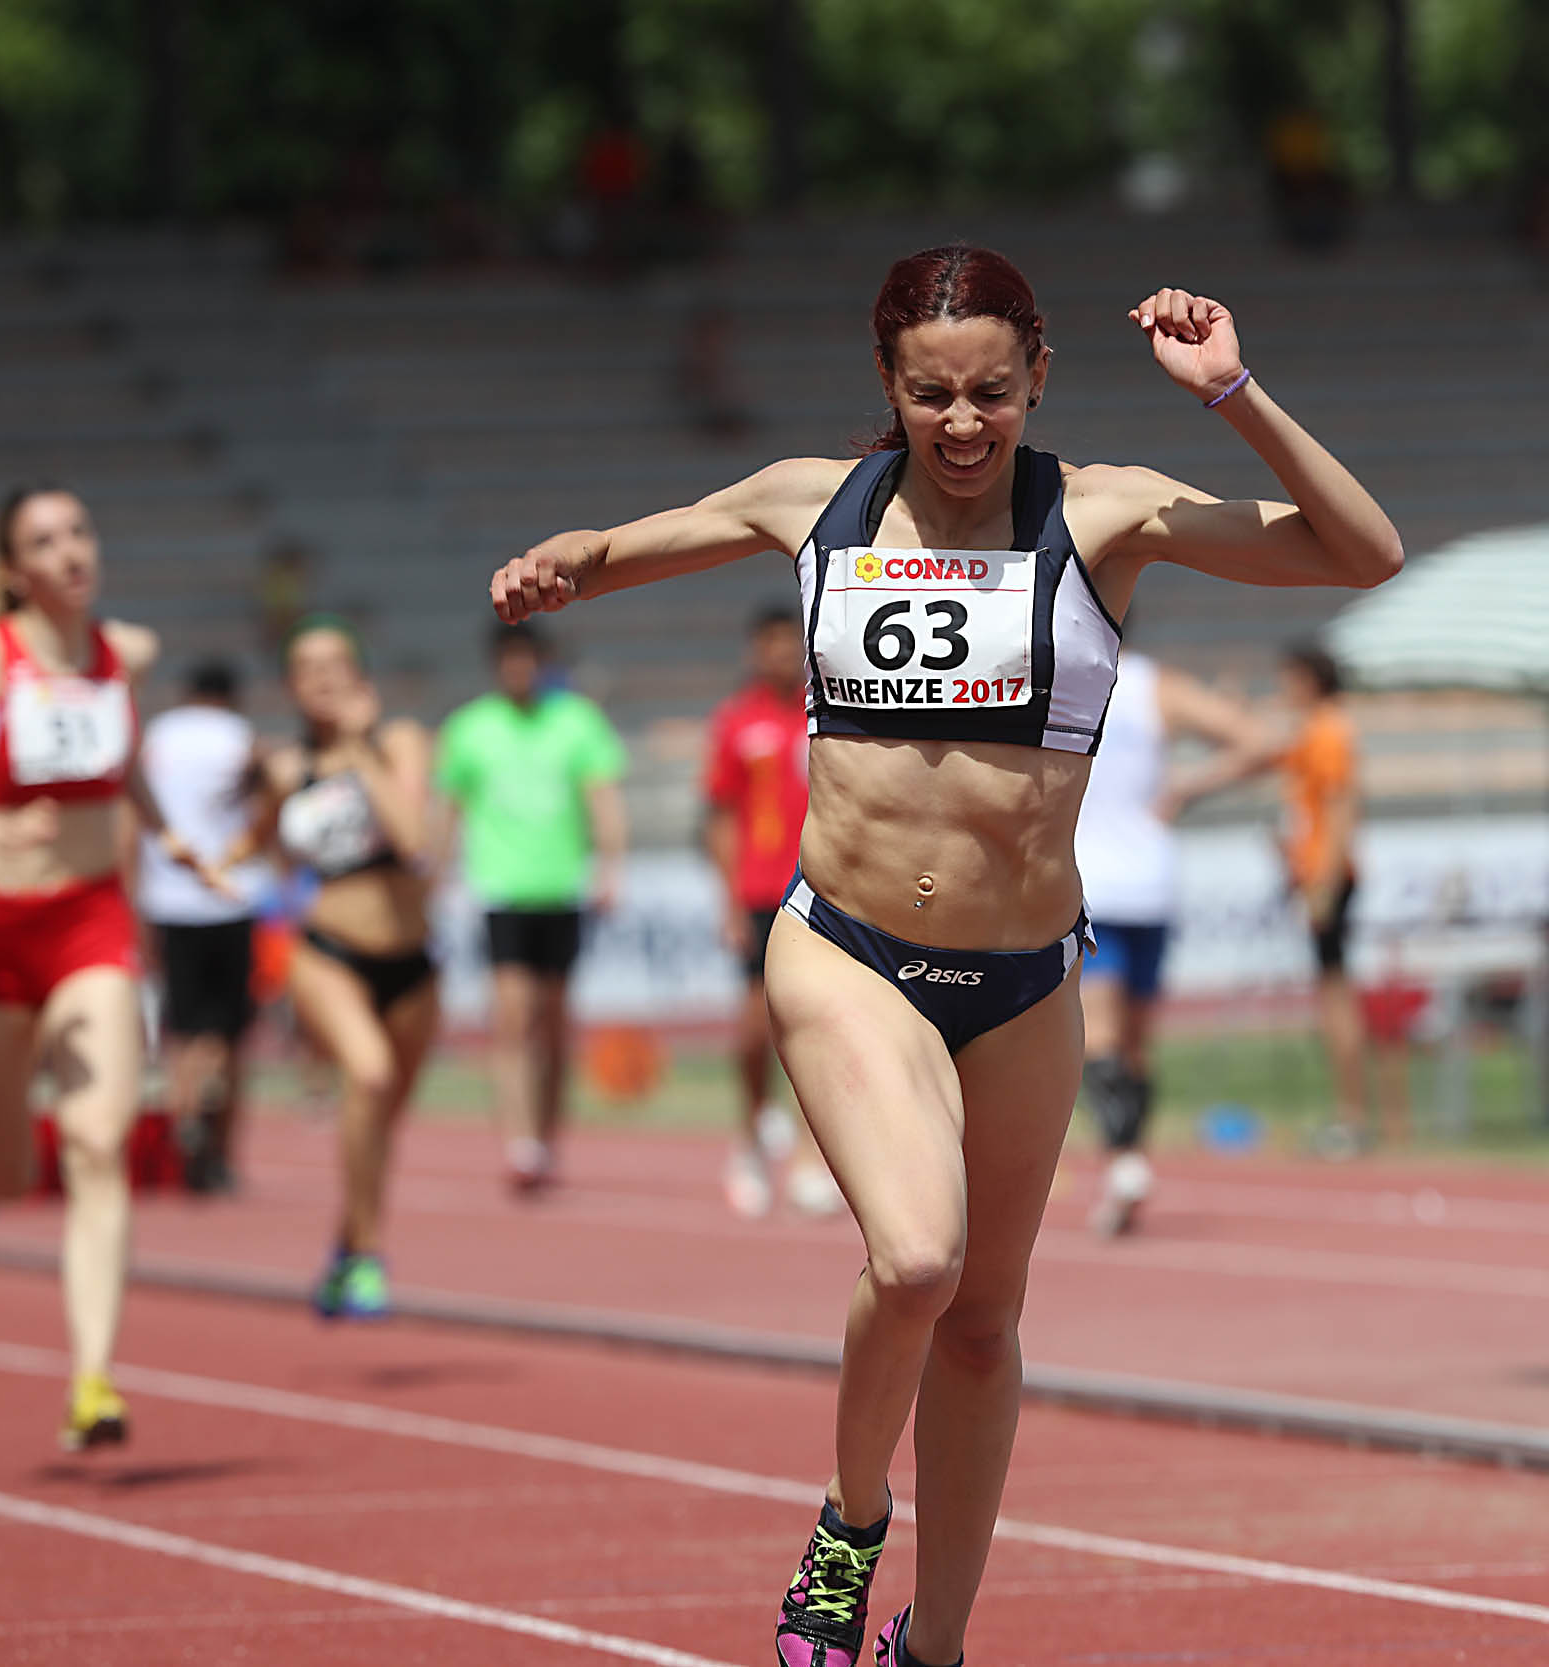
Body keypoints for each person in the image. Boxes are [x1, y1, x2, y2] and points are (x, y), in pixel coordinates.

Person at [489, 245, 1402, 1667]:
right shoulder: (814, 501)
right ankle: (851, 1520)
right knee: (916, 1258)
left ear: (1039, 376)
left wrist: (1233, 394)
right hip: (847, 949)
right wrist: (557, 564)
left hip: (1024, 977)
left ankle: (939, 1642)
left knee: (981, 1326)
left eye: (991, 392)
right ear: (886, 382)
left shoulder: (1102, 513)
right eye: (930, 395)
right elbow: (621, 545)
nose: (963, 424)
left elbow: (1361, 551)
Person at [0, 482, 232, 1450]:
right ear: (14, 571)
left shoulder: (127, 653)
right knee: (9, 1171)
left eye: (79, 530)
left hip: (89, 920)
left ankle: (94, 1381)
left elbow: (123, 764)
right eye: (45, 541)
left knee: (97, 1139)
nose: (73, 550)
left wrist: (171, 836)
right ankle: (8, 1158)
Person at [226, 617, 438, 1317]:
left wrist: (357, 750)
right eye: (307, 668)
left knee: (380, 1127)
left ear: (361, 675)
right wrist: (213, 867)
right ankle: (370, 1258)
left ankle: (345, 1248)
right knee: (368, 1074)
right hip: (328, 953)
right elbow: (252, 843)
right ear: (290, 686)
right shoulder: (287, 771)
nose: (322, 678)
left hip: (413, 962)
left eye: (335, 664)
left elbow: (414, 839)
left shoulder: (399, 741)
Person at [1072, 644, 1277, 1235]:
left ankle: (1123, 1161)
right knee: (1137, 1042)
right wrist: (1187, 786)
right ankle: (1130, 1164)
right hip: (1152, 878)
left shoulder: (1060, 671)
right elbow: (1261, 741)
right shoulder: (1157, 687)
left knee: (1100, 1037)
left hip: (1091, 881)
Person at [435, 621, 628, 1194]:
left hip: (562, 887)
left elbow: (603, 797)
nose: (518, 670)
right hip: (501, 889)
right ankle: (520, 1142)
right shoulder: (470, 728)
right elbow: (448, 807)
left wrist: (610, 866)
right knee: (512, 1018)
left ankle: (546, 1137)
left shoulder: (577, 722)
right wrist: (437, 876)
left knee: (555, 1022)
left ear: (542, 663)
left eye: (528, 660)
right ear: (496, 665)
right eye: (509, 660)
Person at [702, 602, 842, 1219]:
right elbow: (721, 815)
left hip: (825, 889)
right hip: (761, 893)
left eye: (792, 643)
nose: (783, 654)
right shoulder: (737, 722)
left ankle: (814, 1156)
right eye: (772, 644)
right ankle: (753, 1135)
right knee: (754, 1032)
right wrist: (729, 899)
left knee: (824, 1028)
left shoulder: (830, 712)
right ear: (755, 651)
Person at [137, 658, 266, 1194]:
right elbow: (265, 804)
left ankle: (182, 1120)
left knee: (183, 1027)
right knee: (231, 1032)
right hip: (230, 898)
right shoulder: (240, 737)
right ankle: (220, 1149)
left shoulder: (157, 737)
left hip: (167, 898)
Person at [1278, 642, 1372, 1157]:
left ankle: (1353, 1116)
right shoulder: (1316, 729)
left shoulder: (1330, 730)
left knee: (1337, 996)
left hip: (1328, 879)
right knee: (1330, 993)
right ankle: (1347, 1112)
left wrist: (1325, 883)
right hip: (1318, 874)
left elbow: (1340, 808)